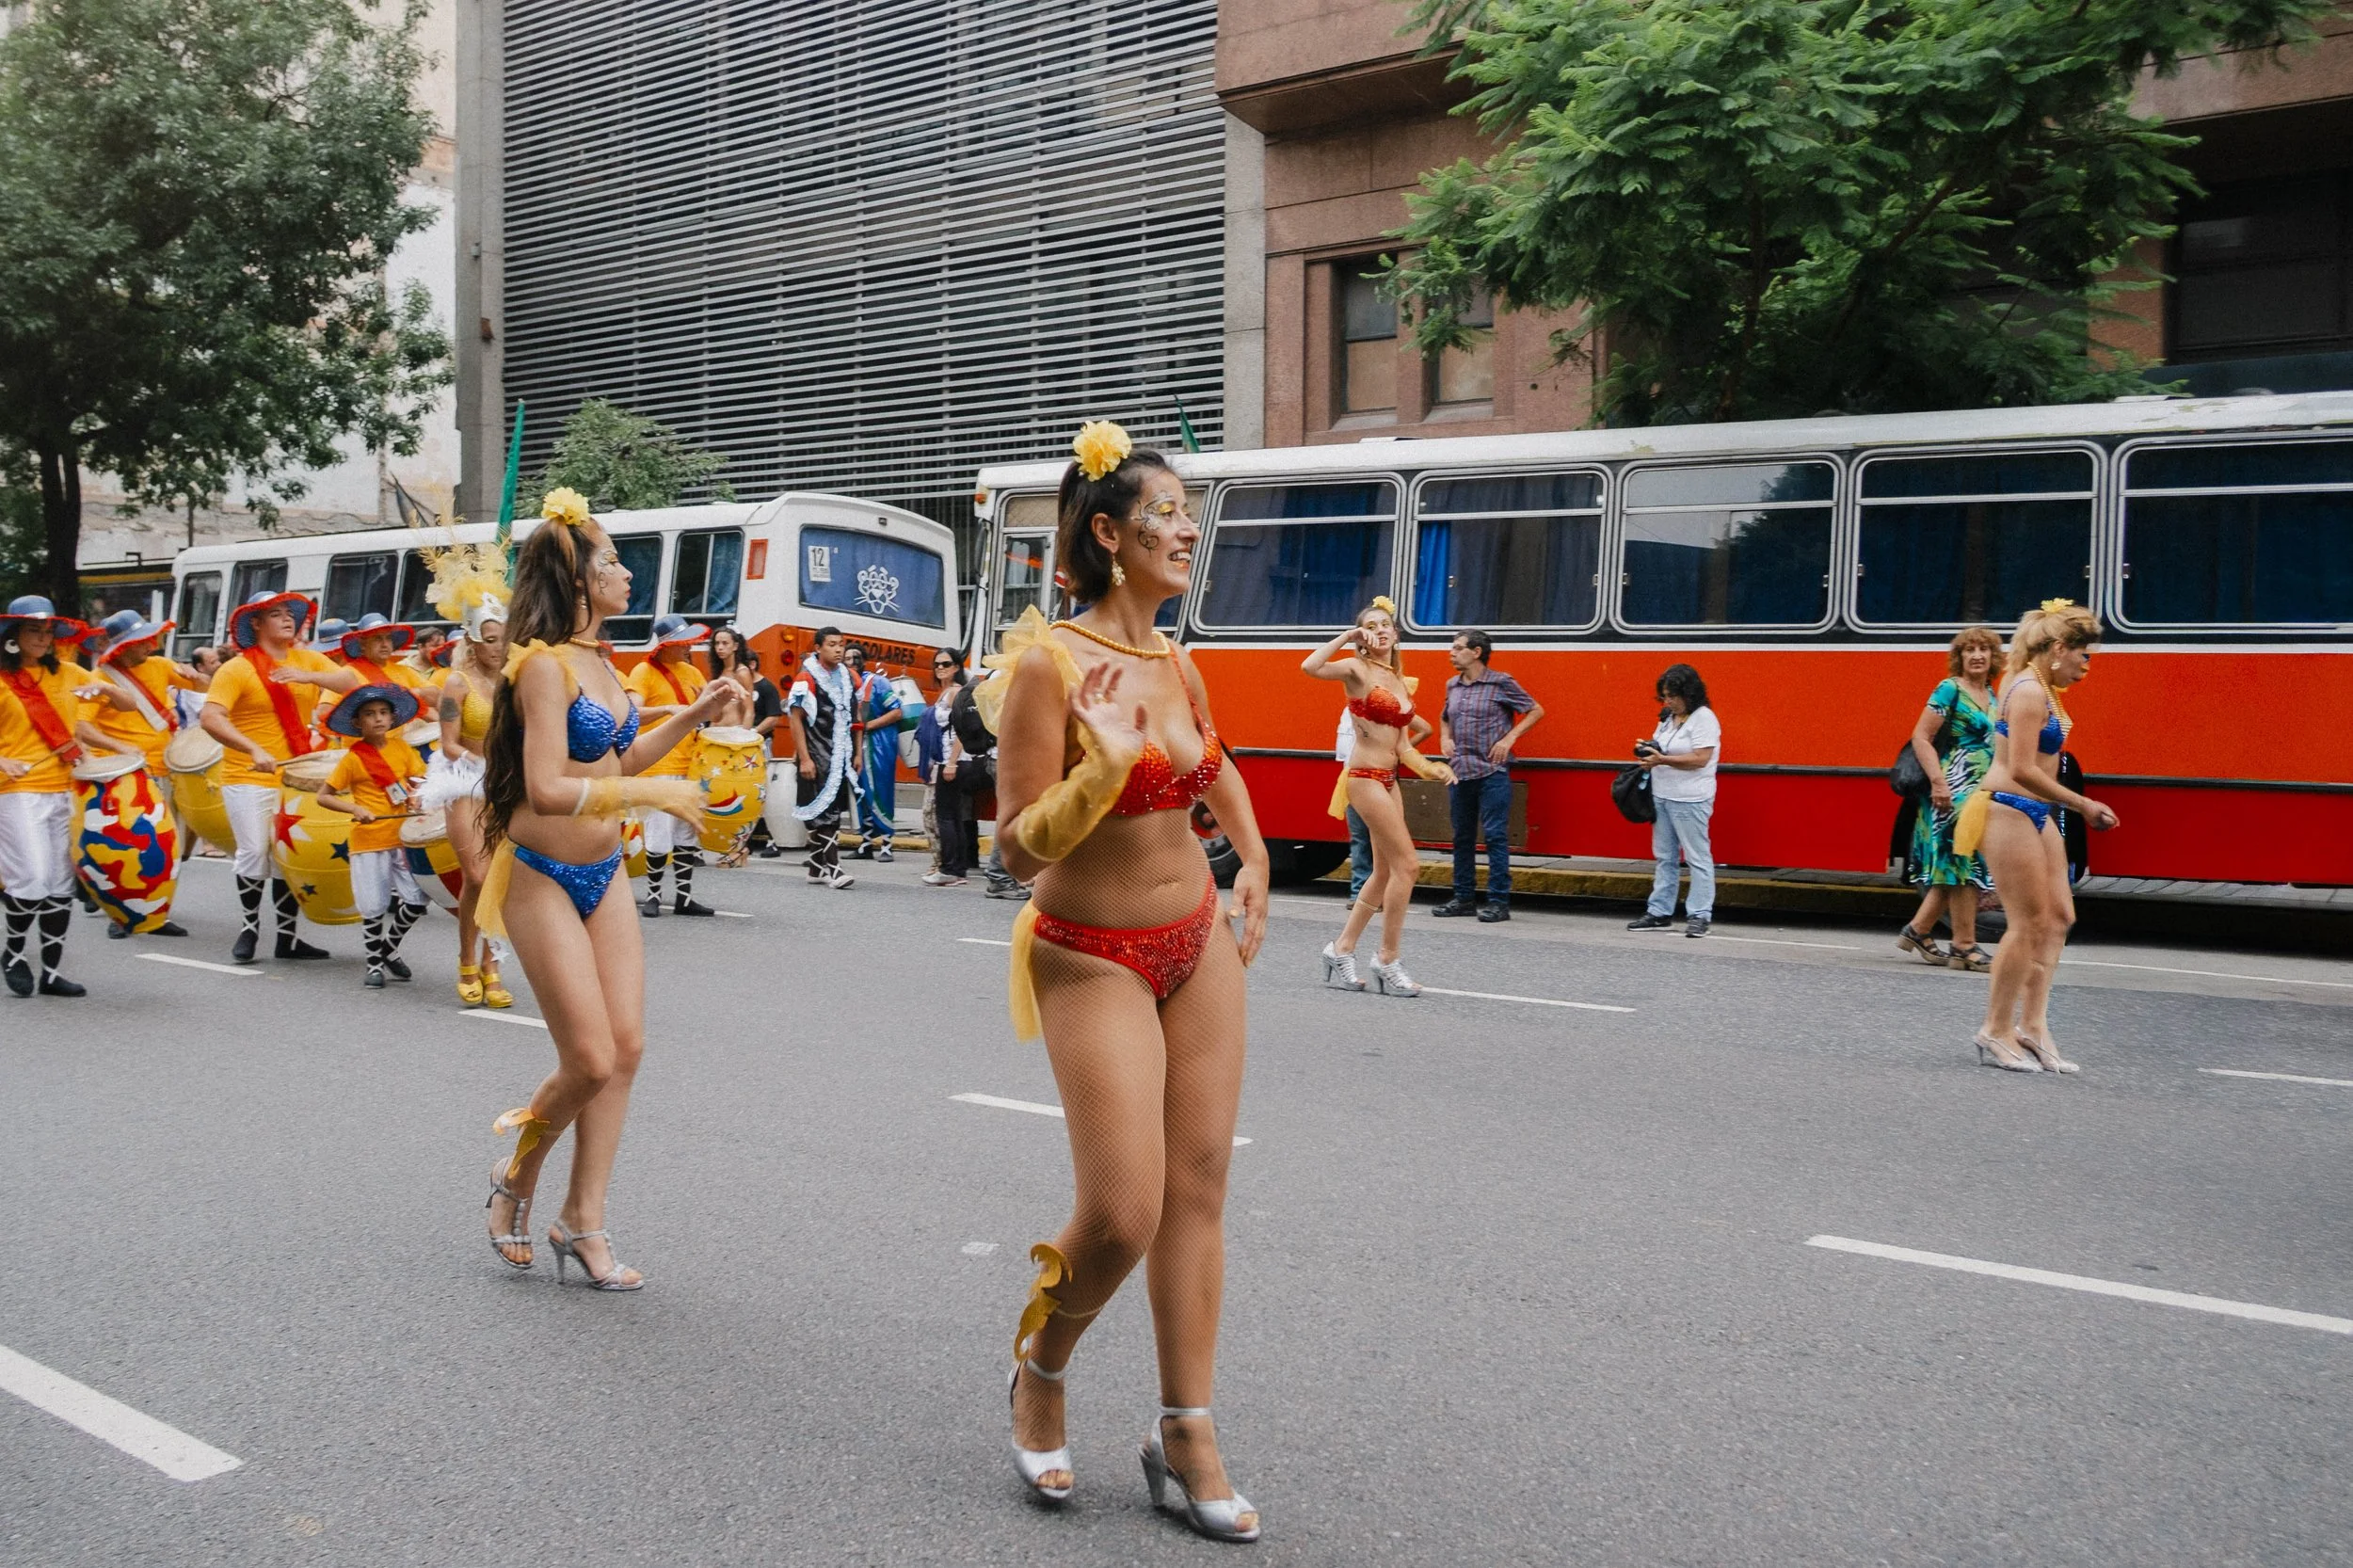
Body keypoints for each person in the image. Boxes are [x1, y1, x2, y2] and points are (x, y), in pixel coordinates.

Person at [990, 421, 1270, 1543]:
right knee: (1123, 1210)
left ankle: (1185, 1428)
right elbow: (1013, 847)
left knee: (1199, 1194)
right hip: (1088, 952)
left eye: (1189, 510)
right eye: (1168, 512)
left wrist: (1249, 858)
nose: (1188, 526)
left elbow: (1216, 762)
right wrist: (1096, 774)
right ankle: (1041, 1361)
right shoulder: (1045, 665)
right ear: (1108, 533)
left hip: (1194, 941)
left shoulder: (1173, 657)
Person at [474, 488, 744, 1289]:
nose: (626, 573)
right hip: (538, 873)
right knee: (587, 1058)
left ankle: (581, 1219)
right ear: (578, 581)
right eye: (613, 561)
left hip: (603, 872)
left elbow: (616, 765)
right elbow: (551, 787)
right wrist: (653, 799)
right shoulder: (543, 668)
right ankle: (514, 1175)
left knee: (624, 1051)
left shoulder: (603, 662)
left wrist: (693, 714)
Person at [1960, 600, 2117, 1075]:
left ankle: (2033, 1025)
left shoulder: (2041, 686)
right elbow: (2022, 769)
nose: (2087, 664)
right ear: (2059, 649)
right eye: (2084, 654)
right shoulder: (2028, 690)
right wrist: (2083, 804)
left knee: (2059, 917)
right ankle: (1994, 1028)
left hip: (2034, 812)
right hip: (2007, 808)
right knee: (2026, 923)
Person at [1304, 595, 1454, 995]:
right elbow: (1310, 666)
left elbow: (1403, 747)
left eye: (1384, 625)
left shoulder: (1399, 681)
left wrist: (1431, 768)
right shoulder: (1356, 668)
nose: (1379, 630)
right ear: (1363, 637)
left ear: (1397, 635)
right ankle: (1387, 958)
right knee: (1408, 866)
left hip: (1390, 778)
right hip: (1365, 778)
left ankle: (1341, 948)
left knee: (1385, 870)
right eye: (1370, 627)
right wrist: (1346, 636)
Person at [199, 590, 360, 963]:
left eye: (291, 613)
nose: (289, 619)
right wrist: (252, 749)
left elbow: (349, 681)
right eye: (277, 614)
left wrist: (306, 675)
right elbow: (210, 717)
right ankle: (250, 927)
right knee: (255, 852)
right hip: (248, 776)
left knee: (289, 854)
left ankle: (287, 938)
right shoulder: (236, 669)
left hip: (294, 776)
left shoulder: (306, 658)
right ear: (257, 623)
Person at [74, 609, 210, 938]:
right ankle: (122, 915)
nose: (151, 645)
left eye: (151, 638)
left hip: (163, 765)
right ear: (123, 647)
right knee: (132, 846)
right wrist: (119, 746)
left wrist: (195, 676)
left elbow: (207, 688)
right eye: (143, 641)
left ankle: (154, 909)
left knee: (168, 845)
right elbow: (80, 726)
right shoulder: (100, 680)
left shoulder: (161, 666)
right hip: (123, 775)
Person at [423, 538, 513, 1007]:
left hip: (507, 785)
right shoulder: (455, 683)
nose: (499, 649)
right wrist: (478, 762)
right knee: (476, 876)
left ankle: (492, 965)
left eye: (504, 639)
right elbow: (449, 743)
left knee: (502, 877)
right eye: (491, 640)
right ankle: (465, 959)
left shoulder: (515, 682)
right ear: (474, 641)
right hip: (467, 783)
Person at [0, 597, 96, 996]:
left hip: (62, 789)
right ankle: (14, 954)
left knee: (59, 883)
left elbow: (125, 702)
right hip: (17, 790)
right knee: (33, 878)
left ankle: (52, 975)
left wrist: (106, 693)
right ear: (13, 636)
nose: (41, 638)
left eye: (46, 632)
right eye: (32, 631)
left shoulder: (69, 673)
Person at [1897, 628, 2002, 971]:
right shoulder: (1949, 689)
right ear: (1959, 657)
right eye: (1969, 650)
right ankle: (1964, 946)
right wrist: (1938, 783)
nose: (1977, 655)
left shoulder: (1989, 692)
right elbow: (1921, 737)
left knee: (1954, 866)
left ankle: (1919, 930)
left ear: (1993, 656)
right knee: (1963, 865)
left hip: (1980, 790)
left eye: (1984, 649)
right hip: (1951, 789)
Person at [315, 685, 430, 989]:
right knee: (374, 906)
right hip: (368, 839)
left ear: (392, 718)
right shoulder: (353, 759)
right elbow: (323, 797)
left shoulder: (403, 749)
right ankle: (374, 964)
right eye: (369, 714)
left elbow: (418, 780)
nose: (378, 719)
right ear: (358, 723)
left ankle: (388, 948)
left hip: (402, 835)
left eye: (383, 713)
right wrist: (355, 807)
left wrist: (417, 797)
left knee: (418, 900)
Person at [1432, 630, 1543, 922]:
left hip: (1492, 771)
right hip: (1460, 772)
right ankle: (1463, 898)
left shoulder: (1500, 682)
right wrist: (1445, 739)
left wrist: (1509, 739)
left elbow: (1535, 710)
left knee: (1495, 836)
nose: (1451, 653)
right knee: (1462, 837)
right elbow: (1445, 717)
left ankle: (1498, 902)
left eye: (1458, 648)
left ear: (1476, 652)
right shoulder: (1452, 685)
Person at [624, 614, 717, 917]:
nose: (689, 647)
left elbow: (707, 708)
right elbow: (633, 713)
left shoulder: (692, 672)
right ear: (667, 645)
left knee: (685, 832)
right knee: (659, 831)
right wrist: (666, 708)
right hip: (658, 762)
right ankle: (653, 896)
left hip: (690, 763)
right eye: (683, 642)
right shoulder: (644, 671)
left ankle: (684, 898)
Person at [1626, 664, 1721, 937]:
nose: (1667, 701)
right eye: (1664, 696)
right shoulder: (1668, 717)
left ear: (1689, 694)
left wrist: (1663, 759)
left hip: (1690, 799)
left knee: (1697, 858)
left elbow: (1701, 759)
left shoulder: (1704, 719)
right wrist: (1649, 751)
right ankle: (1659, 912)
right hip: (1663, 795)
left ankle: (1700, 915)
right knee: (1665, 857)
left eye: (1672, 696)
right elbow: (1662, 746)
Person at [786, 625, 858, 889]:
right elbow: (795, 719)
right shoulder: (806, 678)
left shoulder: (849, 677)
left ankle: (817, 868)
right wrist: (805, 758)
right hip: (817, 751)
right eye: (831, 644)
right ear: (818, 648)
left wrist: (857, 752)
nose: (838, 649)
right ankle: (835, 869)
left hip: (840, 753)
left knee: (832, 811)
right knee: (824, 813)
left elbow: (857, 717)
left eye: (841, 644)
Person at [711, 627, 782, 857]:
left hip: (734, 737)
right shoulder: (720, 671)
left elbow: (749, 710)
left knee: (735, 793)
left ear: (735, 646)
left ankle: (737, 847)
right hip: (717, 735)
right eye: (717, 643)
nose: (720, 647)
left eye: (724, 643)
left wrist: (743, 737)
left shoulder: (742, 672)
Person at [845, 644, 904, 860]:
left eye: (855, 658)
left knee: (881, 791)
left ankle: (887, 843)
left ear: (864, 660)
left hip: (879, 745)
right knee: (861, 793)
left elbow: (897, 711)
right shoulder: (846, 685)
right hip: (856, 745)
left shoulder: (878, 682)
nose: (851, 662)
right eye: (847, 658)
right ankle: (866, 842)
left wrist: (869, 726)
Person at [916, 655, 963, 884]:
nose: (940, 668)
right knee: (938, 815)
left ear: (956, 667)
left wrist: (952, 762)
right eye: (936, 664)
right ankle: (946, 864)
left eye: (946, 664)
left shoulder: (955, 693)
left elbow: (961, 731)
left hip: (949, 763)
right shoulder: (943, 694)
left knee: (940, 816)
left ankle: (948, 867)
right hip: (939, 763)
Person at [1335, 707, 1373, 902]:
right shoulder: (1348, 711)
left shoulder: (1377, 708)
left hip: (1372, 779)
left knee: (1376, 838)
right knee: (1359, 838)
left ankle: (1374, 891)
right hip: (1349, 779)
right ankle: (1359, 892)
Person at [176, 647, 221, 728]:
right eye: (213, 662)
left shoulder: (218, 680)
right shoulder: (192, 687)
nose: (219, 664)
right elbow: (210, 714)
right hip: (200, 735)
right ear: (201, 667)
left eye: (218, 660)